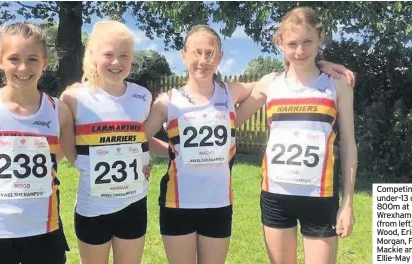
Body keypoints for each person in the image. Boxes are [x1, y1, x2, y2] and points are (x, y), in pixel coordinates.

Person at [142, 24, 355, 264]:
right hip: (177, 202)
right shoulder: (167, 102)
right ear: (183, 55)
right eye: (196, 52)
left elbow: (283, 78)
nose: (203, 60)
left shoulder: (230, 92)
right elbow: (139, 140)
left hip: (218, 203)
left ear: (220, 57)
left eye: (210, 53)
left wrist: (319, 65)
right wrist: (169, 151)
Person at [235, 7, 357, 264]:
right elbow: (232, 119)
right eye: (292, 43)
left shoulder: (337, 84)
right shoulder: (270, 83)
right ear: (280, 43)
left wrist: (348, 202)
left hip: (320, 196)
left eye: (307, 42)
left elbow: (348, 144)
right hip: (275, 195)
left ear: (320, 38)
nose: (300, 51)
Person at [0, 22, 70, 264]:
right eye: (14, 59)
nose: (23, 68)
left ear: (44, 63)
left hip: (45, 232)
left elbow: (66, 155)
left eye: (32, 59)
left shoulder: (59, 111)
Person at [59, 20, 157, 264]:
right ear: (92, 55)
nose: (117, 62)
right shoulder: (74, 97)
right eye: (109, 54)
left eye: (124, 55)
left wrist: (157, 156)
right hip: (93, 205)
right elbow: (64, 140)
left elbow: (141, 138)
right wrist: (79, 163)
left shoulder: (142, 96)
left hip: (134, 202)